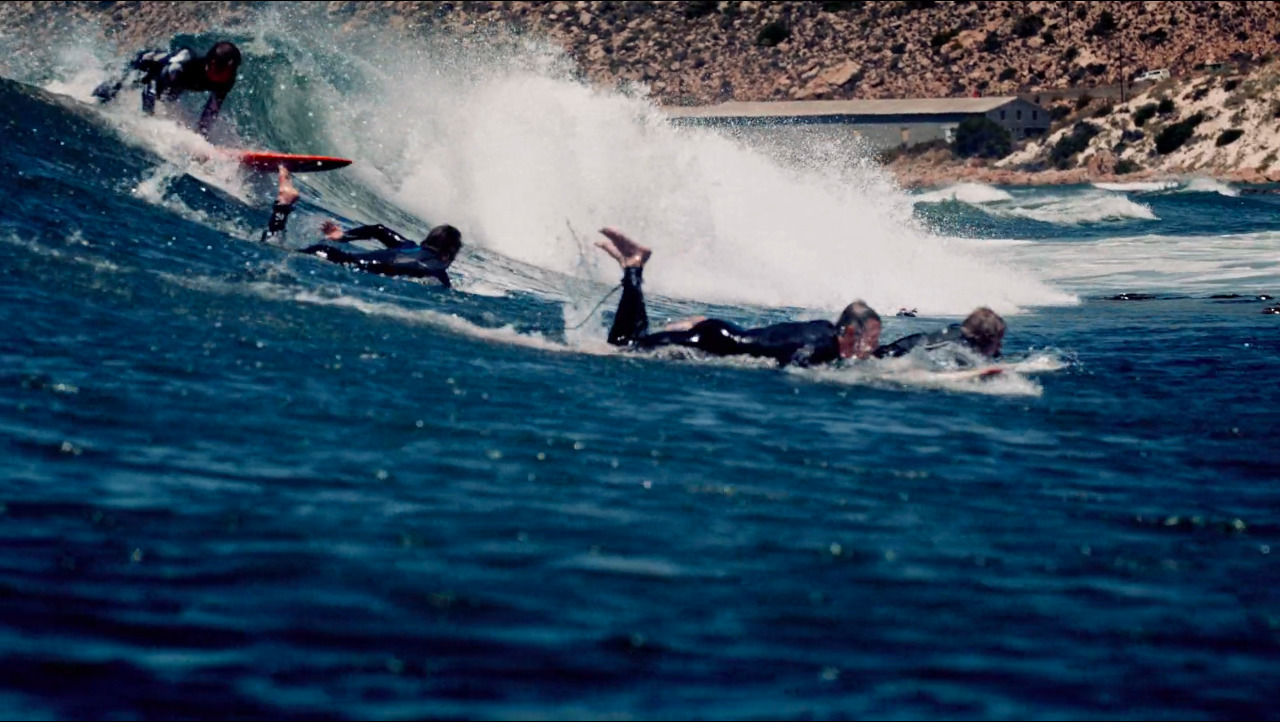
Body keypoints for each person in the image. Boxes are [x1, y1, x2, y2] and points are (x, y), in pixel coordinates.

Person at [595, 228, 881, 367]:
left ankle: (633, 269)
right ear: (852, 332)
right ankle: (634, 267)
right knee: (623, 347)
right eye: (871, 339)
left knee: (634, 341)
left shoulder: (823, 328)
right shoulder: (821, 347)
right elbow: (796, 364)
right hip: (714, 341)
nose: (873, 346)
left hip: (720, 331)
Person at [261, 167, 461, 288]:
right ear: (448, 255)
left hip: (331, 254)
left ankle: (284, 203)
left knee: (276, 247)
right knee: (271, 249)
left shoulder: (407, 246)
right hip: (336, 262)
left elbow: (378, 229)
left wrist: (343, 236)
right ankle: (284, 201)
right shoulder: (438, 273)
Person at [93, 41, 242, 138]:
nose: (230, 74)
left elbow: (211, 112)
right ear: (213, 64)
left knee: (169, 98)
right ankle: (92, 100)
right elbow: (150, 85)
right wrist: (146, 122)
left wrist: (201, 139)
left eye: (232, 70)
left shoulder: (225, 81)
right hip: (145, 66)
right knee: (111, 90)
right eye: (227, 70)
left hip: (172, 84)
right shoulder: (183, 64)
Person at [873, 306, 1006, 360]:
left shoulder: (970, 338)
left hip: (916, 340)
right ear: (985, 339)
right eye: (998, 340)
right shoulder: (958, 346)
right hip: (902, 349)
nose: (1000, 346)